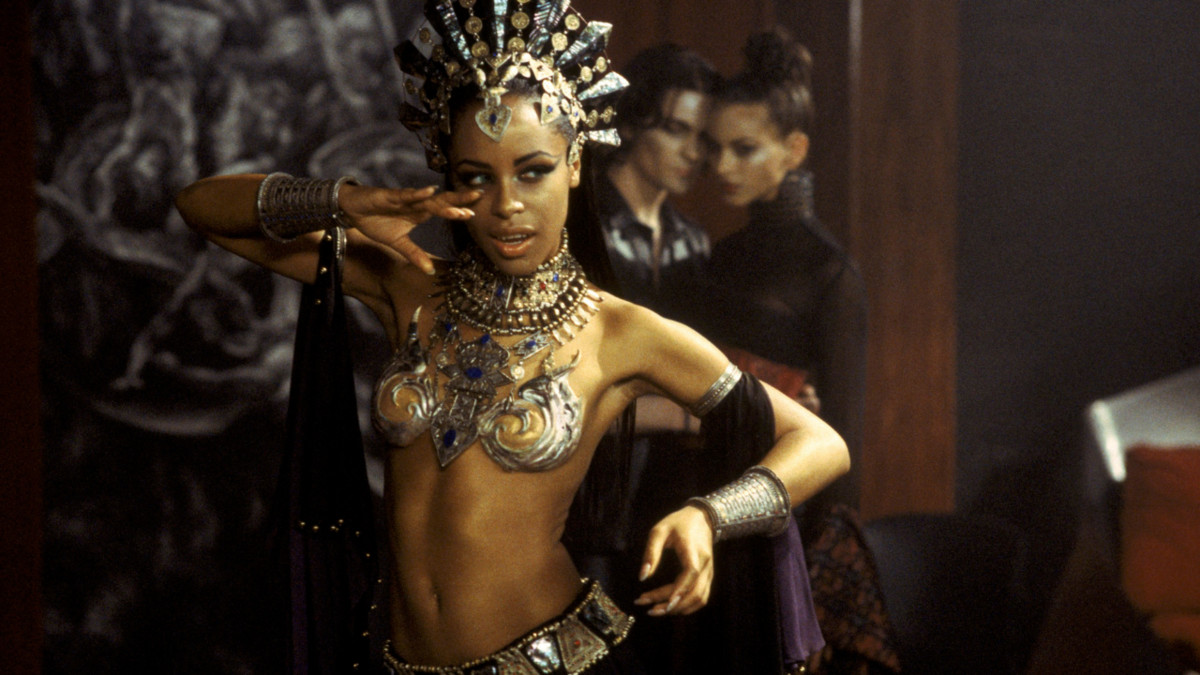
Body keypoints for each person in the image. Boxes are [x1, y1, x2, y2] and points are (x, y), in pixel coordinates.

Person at [176, 3, 848, 674]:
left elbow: (820, 443)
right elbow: (202, 208)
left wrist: (710, 514)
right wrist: (345, 201)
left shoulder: (620, 332)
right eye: (477, 177)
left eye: (533, 170)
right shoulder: (409, 287)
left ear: (575, 163)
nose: (506, 205)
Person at [696, 28, 867, 517]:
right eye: (715, 148)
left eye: (744, 149)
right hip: (701, 491)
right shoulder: (721, 257)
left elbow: (842, 441)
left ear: (794, 150)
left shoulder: (830, 272)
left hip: (786, 508)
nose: (722, 166)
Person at [592, 44, 717, 317]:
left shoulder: (692, 241)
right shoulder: (584, 223)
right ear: (630, 123)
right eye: (675, 129)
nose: (693, 153)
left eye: (703, 137)